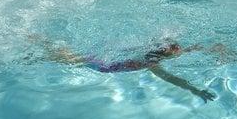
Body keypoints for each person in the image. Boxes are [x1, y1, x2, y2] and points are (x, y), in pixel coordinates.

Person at [29, 35, 216, 102]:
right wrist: (194, 90)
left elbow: (182, 51)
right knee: (70, 58)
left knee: (68, 57)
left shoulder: (148, 52)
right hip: (103, 66)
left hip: (104, 58)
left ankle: (40, 50)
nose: (180, 52)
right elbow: (171, 79)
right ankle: (39, 47)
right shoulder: (150, 63)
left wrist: (206, 47)